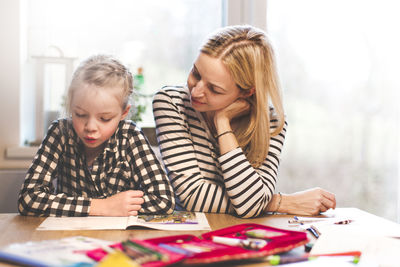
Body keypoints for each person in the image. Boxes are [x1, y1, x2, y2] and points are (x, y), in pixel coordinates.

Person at [152, 25, 336, 218]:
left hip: (239, 233)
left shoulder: (270, 122)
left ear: (247, 92)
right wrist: (280, 202)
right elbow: (192, 196)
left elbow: (252, 204)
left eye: (214, 89)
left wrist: (222, 122)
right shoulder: (171, 102)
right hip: (189, 232)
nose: (196, 91)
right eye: (196, 73)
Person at [18, 54, 175, 216]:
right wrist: (103, 207)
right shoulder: (60, 132)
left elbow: (164, 200)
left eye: (104, 119)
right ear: (71, 106)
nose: (91, 127)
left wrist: (121, 207)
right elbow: (28, 199)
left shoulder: (130, 136)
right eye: (80, 114)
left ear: (123, 113)